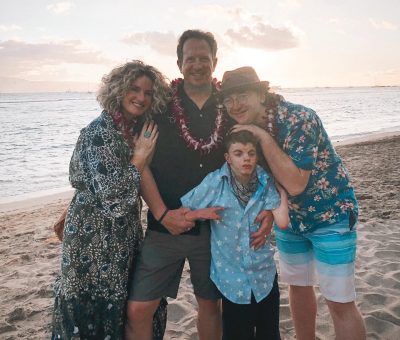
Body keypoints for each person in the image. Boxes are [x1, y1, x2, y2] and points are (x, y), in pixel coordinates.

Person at [125, 30, 272, 340]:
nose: (197, 64)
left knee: (210, 305)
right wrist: (164, 214)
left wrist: (269, 210)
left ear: (214, 62)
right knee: (139, 309)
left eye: (203, 58)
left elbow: (256, 159)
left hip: (217, 228)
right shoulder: (161, 106)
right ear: (179, 64)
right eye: (190, 58)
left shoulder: (230, 107)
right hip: (164, 225)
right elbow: (142, 163)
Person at [219, 66, 366, 340]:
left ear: (261, 94)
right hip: (290, 219)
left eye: (242, 95)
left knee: (339, 300)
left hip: (330, 215)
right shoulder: (242, 129)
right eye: (228, 99)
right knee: (297, 287)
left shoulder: (299, 118)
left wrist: (262, 136)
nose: (234, 104)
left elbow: (296, 183)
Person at [51, 60, 170, 340]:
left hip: (121, 236)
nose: (141, 97)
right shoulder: (99, 133)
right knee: (90, 309)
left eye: (148, 92)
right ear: (118, 89)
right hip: (91, 239)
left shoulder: (130, 129)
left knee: (121, 304)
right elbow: (113, 197)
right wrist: (139, 157)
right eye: (134, 88)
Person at [181, 130, 289, 340]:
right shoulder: (215, 183)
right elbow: (185, 210)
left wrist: (279, 191)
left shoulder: (265, 181)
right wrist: (199, 213)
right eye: (238, 153)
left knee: (270, 334)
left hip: (264, 275)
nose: (246, 158)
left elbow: (283, 221)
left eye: (251, 153)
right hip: (232, 280)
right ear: (227, 158)